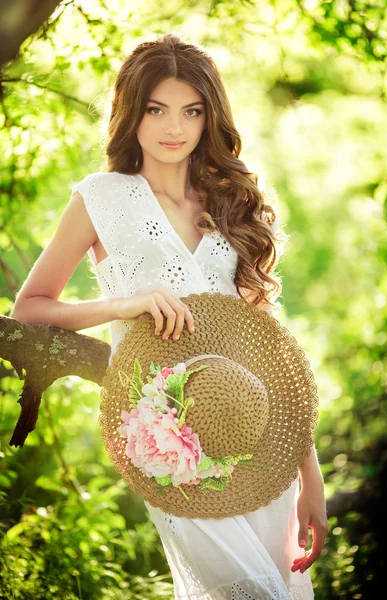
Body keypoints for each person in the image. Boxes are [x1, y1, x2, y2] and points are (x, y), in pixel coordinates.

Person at [11, 33, 328, 600]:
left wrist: (312, 481)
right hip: (167, 442)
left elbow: (269, 354)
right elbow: (28, 308)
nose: (173, 127)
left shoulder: (230, 204)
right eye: (156, 109)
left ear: (211, 118)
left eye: (191, 111)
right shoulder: (101, 197)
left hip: (254, 434)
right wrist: (122, 305)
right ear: (131, 112)